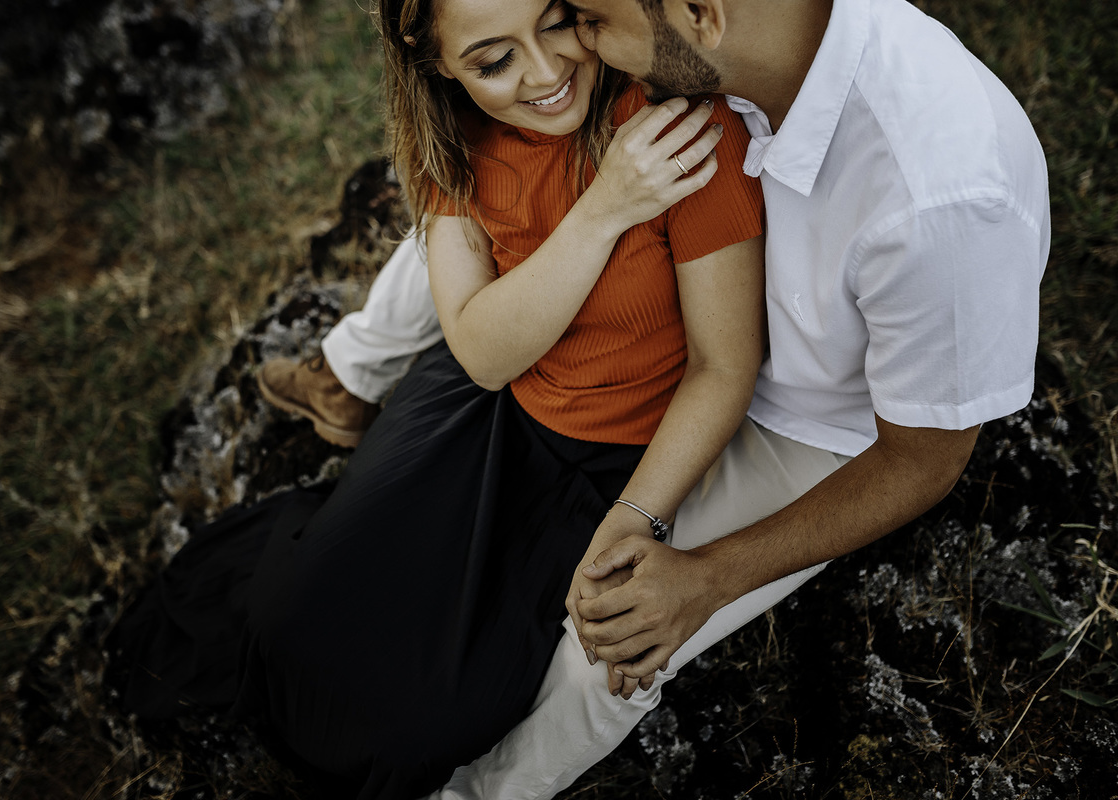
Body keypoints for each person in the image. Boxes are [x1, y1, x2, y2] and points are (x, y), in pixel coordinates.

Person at [263, 0, 1050, 797]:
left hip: (804, 425)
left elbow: (921, 461)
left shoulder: (941, 204)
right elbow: (485, 207)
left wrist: (703, 573)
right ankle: (353, 366)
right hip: (635, 345)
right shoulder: (713, 56)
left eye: (585, 19)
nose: (572, 56)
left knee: (614, 629)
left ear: (699, 15)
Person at [110, 0, 768, 797]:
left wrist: (638, 516)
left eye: (557, 22)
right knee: (292, 628)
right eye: (494, 61)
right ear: (439, 67)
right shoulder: (452, 139)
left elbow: (724, 366)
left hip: (611, 467)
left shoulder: (673, 132)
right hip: (482, 408)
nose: (548, 70)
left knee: (417, 723)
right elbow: (484, 355)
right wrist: (606, 207)